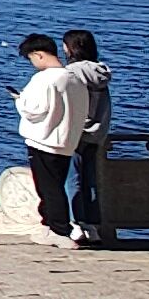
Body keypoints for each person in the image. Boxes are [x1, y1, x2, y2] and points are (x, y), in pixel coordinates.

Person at [11, 36, 88, 244]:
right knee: (56, 183)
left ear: (39, 55)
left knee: (48, 188)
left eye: (31, 59)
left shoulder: (44, 79)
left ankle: (58, 230)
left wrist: (20, 100)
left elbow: (33, 109)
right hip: (66, 140)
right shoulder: (75, 79)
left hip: (43, 140)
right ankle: (49, 226)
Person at [60, 29, 114, 242]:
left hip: (76, 133)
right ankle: (92, 225)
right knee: (90, 180)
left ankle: (76, 223)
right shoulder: (100, 73)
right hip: (97, 133)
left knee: (72, 179)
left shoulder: (71, 73)